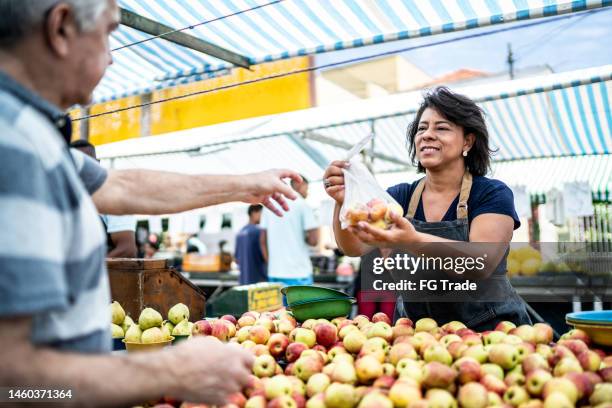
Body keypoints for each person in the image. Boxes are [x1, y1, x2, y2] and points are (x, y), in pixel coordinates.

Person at [0, 1, 303, 406]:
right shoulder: (12, 145)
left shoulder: (30, 133)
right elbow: (12, 381)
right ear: (61, 27)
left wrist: (245, 185)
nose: (111, 56)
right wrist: (171, 370)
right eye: (108, 34)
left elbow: (122, 187)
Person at [323, 87, 530, 330]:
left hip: (490, 333)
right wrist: (342, 201)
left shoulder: (491, 194)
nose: (427, 135)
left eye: (441, 128)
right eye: (422, 128)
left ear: (468, 141)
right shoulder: (399, 197)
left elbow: (480, 263)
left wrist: (413, 240)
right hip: (417, 334)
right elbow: (353, 247)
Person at [71, 139, 137, 258]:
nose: (84, 169)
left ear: (97, 163)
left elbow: (127, 249)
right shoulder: (64, 197)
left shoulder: (114, 196)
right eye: (77, 164)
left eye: (88, 163)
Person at [260, 176, 319, 289]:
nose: (307, 192)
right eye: (307, 188)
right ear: (299, 184)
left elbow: (262, 241)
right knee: (300, 307)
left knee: (279, 307)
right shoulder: (302, 203)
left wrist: (271, 263)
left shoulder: (268, 205)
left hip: (274, 273)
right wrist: (304, 236)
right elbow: (314, 240)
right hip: (298, 273)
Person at [235, 205, 267, 285]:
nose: (263, 217)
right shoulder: (259, 232)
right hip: (258, 280)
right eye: (262, 214)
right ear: (254, 213)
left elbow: (236, 259)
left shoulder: (240, 232)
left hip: (243, 280)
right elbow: (265, 255)